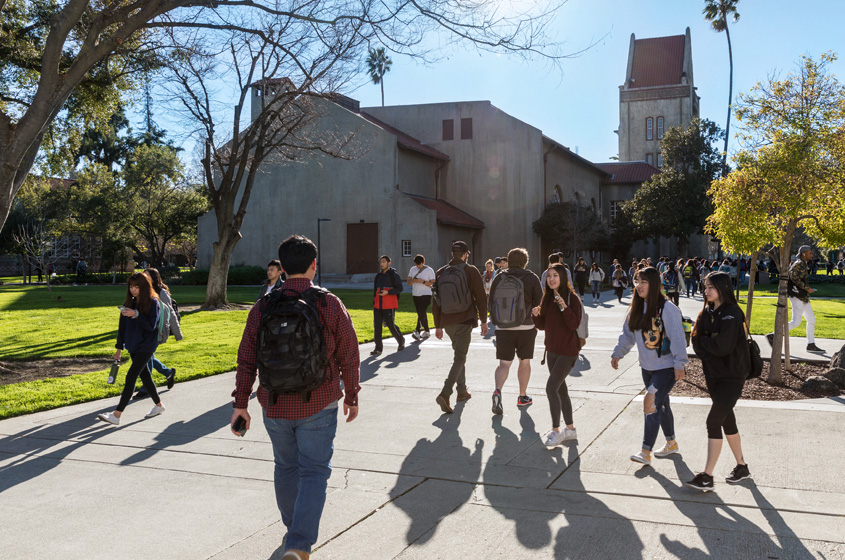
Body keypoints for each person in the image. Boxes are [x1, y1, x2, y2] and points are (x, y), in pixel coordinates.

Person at [231, 234, 360, 560]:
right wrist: (352, 395)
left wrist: (240, 404)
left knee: (285, 468)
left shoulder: (264, 305)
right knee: (314, 471)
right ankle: (299, 545)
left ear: (282, 267)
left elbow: (246, 357)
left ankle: (294, 532)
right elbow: (350, 354)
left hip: (273, 404)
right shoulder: (329, 303)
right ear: (314, 265)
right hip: (319, 401)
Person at [611, 267, 688, 466]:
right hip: (647, 368)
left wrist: (680, 364)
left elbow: (678, 338)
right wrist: (618, 353)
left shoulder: (667, 308)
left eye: (644, 282)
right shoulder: (636, 308)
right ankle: (671, 443)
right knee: (661, 406)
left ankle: (645, 451)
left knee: (650, 403)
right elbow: (627, 336)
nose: (639, 286)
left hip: (667, 367)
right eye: (637, 281)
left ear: (654, 284)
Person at [685, 271, 752, 491]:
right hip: (713, 375)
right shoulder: (706, 312)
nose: (706, 290)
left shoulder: (732, 313)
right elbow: (695, 341)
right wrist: (707, 345)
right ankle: (742, 467)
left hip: (732, 376)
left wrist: (706, 344)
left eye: (710, 287)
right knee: (726, 421)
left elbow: (723, 346)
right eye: (705, 286)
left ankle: (707, 476)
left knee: (713, 421)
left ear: (722, 288)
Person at [97, 273, 165, 425]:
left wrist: (136, 315)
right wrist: (119, 348)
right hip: (132, 344)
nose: (133, 290)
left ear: (144, 287)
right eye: (131, 287)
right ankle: (159, 405)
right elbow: (122, 327)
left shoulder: (153, 302)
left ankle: (116, 415)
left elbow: (151, 326)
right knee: (145, 375)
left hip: (147, 345)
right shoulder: (129, 302)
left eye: (137, 287)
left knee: (131, 376)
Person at [433, 241, 488, 413]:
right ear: (465, 254)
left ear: (452, 254)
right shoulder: (470, 270)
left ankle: (462, 391)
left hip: (447, 322)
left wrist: (438, 325)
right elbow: (480, 297)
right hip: (464, 319)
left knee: (459, 355)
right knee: (460, 358)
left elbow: (435, 301)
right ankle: (445, 392)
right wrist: (484, 320)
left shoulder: (441, 272)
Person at [532, 263, 582, 446]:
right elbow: (543, 325)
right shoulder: (547, 297)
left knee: (551, 388)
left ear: (563, 278)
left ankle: (556, 431)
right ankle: (570, 429)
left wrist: (564, 307)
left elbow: (573, 324)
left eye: (555, 275)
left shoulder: (571, 298)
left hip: (568, 352)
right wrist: (536, 314)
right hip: (552, 351)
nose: (551, 279)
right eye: (549, 276)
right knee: (561, 390)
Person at [488, 247, 542, 414]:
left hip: (503, 326)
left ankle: (497, 390)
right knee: (524, 361)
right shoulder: (531, 278)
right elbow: (540, 303)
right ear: (525, 262)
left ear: (508, 261)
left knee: (504, 363)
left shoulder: (499, 277)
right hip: (526, 326)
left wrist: (495, 321)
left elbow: (491, 301)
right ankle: (522, 396)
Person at [766, 245, 821, 353]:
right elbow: (793, 277)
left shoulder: (802, 263)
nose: (812, 255)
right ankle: (773, 335)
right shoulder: (799, 263)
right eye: (810, 253)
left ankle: (811, 344)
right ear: (803, 254)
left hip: (802, 297)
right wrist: (807, 288)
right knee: (796, 322)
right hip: (797, 297)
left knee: (811, 319)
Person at [371, 255, 404, 356]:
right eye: (380, 262)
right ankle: (378, 349)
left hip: (389, 305)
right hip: (377, 306)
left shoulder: (394, 275)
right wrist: (374, 302)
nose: (382, 264)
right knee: (377, 327)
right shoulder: (378, 276)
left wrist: (388, 292)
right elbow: (374, 291)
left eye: (384, 262)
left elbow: (400, 288)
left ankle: (401, 341)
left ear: (389, 263)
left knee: (390, 325)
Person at [407, 254, 435, 341]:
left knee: (421, 313)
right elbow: (408, 282)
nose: (418, 266)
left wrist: (422, 282)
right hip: (416, 294)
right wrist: (414, 280)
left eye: (419, 264)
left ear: (423, 262)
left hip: (426, 294)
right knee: (421, 313)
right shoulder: (412, 269)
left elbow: (432, 283)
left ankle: (417, 332)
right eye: (417, 264)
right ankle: (426, 331)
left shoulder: (429, 270)